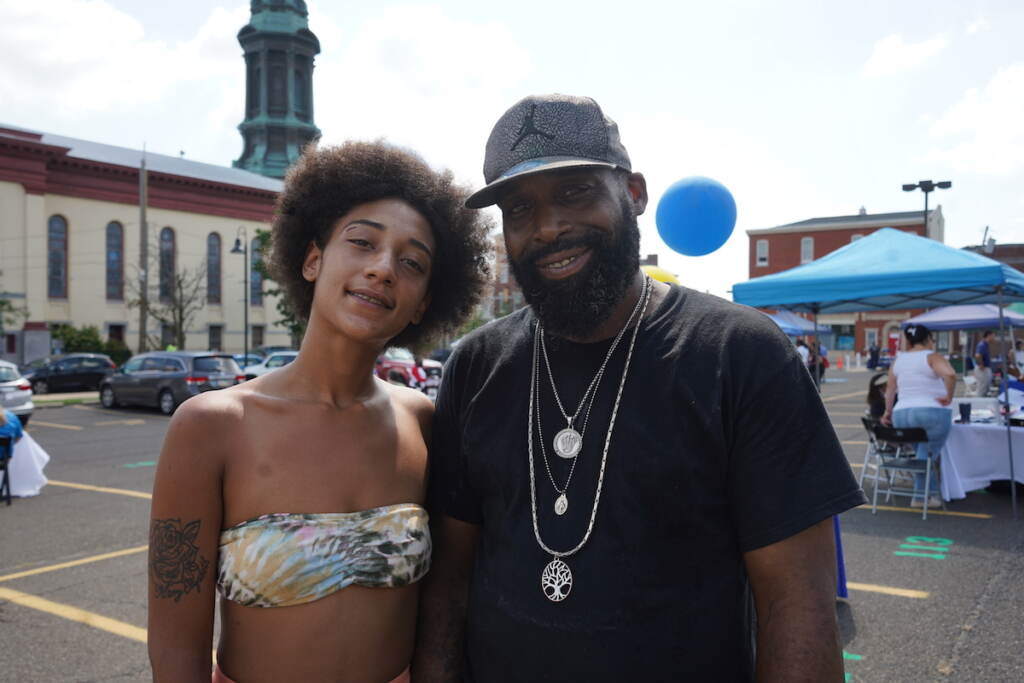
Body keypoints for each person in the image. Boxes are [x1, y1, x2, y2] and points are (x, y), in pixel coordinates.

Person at [415, 94, 866, 682]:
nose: (548, 227)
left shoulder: (741, 354)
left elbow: (796, 607)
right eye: (520, 209)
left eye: (575, 191)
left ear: (634, 194)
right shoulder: (475, 365)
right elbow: (449, 586)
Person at [147, 141, 490, 683]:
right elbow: (174, 643)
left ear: (424, 301)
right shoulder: (211, 425)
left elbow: (444, 600)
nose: (382, 269)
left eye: (411, 262)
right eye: (362, 243)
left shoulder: (422, 420)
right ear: (312, 259)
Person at [881, 324, 956, 508]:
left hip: (902, 413)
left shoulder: (898, 360)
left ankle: (929, 495)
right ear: (928, 339)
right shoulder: (932, 356)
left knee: (922, 454)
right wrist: (949, 396)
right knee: (927, 455)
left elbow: (890, 389)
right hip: (931, 411)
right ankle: (920, 497)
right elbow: (950, 374)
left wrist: (887, 412)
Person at [972, 330, 994, 396]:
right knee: (982, 388)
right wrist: (981, 365)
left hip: (985, 368)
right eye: (993, 336)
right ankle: (979, 403)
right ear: (989, 335)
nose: (993, 338)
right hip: (982, 369)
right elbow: (978, 355)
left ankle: (983, 402)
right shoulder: (982, 344)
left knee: (986, 387)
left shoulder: (986, 344)